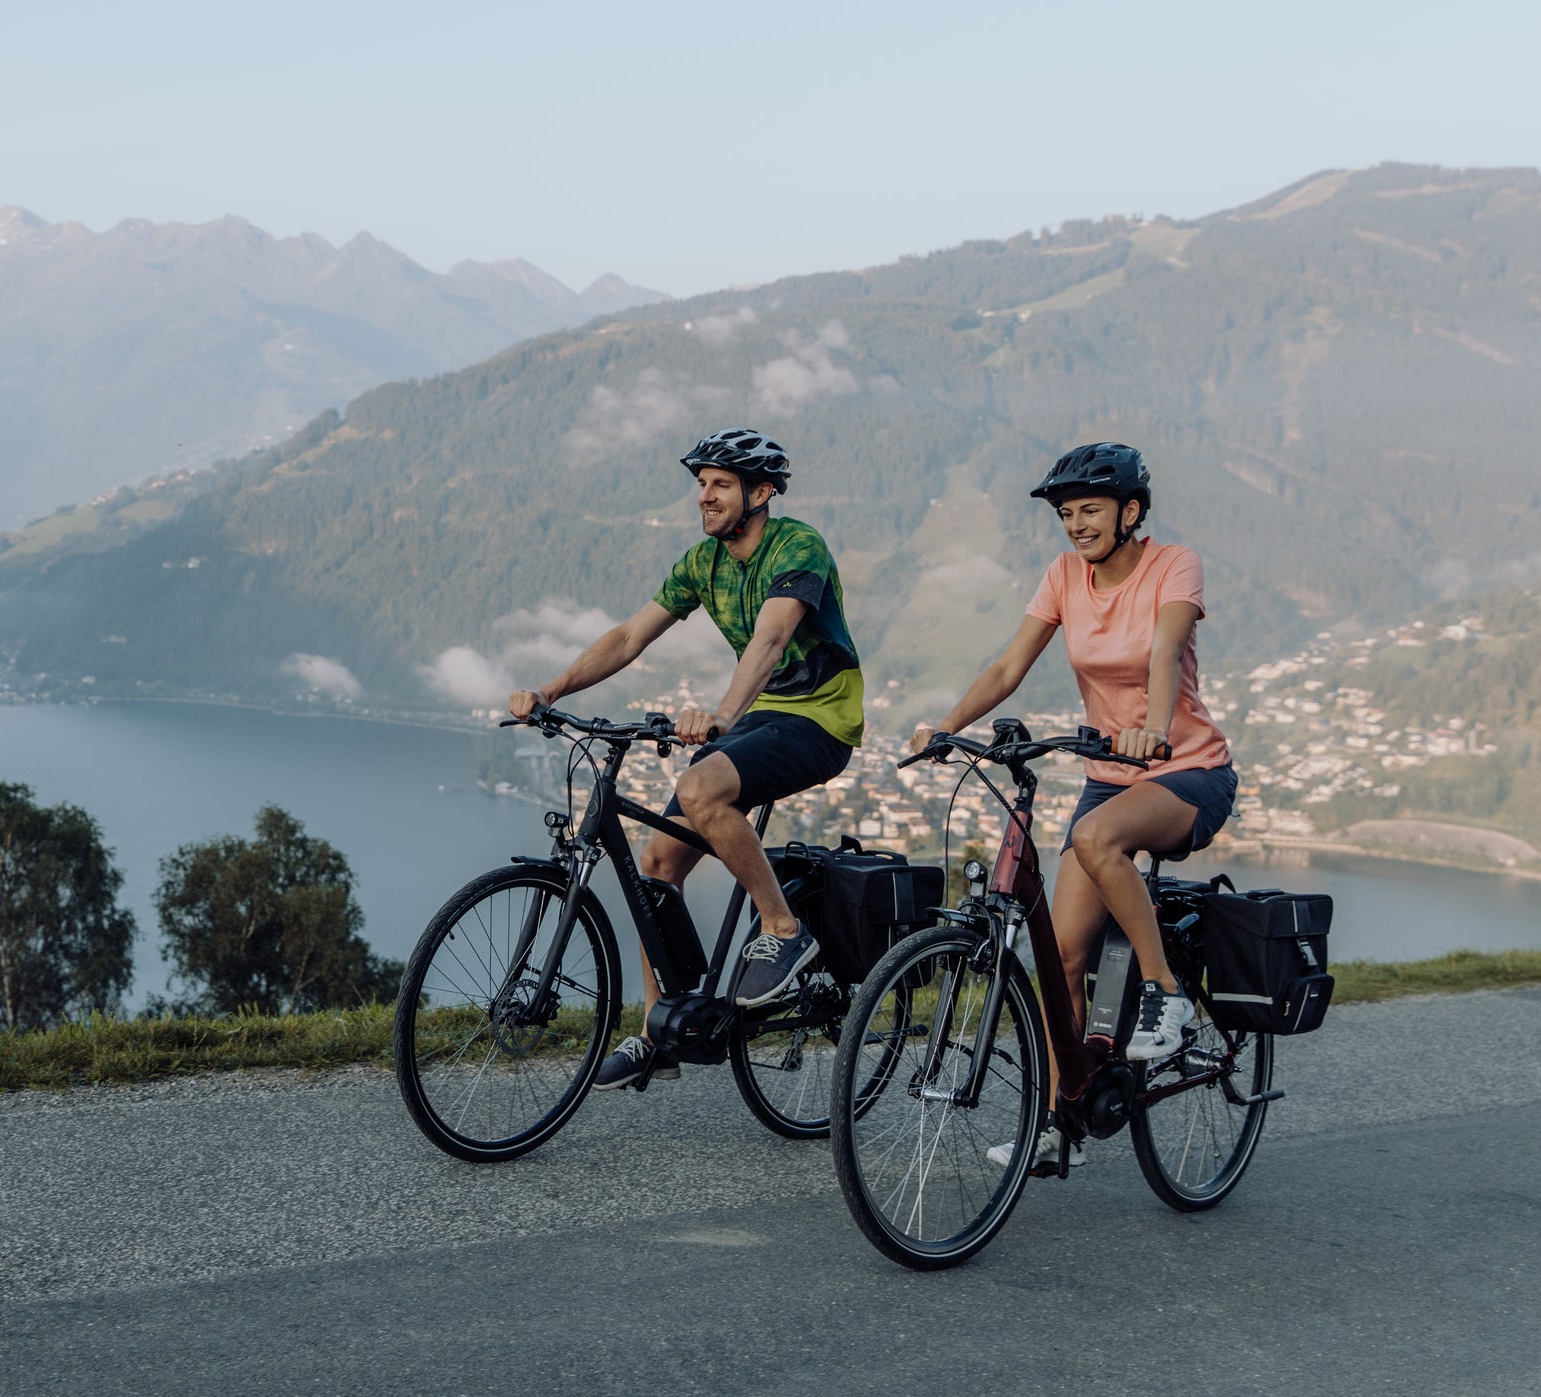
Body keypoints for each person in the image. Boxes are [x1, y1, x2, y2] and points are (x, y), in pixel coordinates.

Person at [508, 428, 864, 1090]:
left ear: (761, 493)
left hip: (820, 716)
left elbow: (773, 634)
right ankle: (660, 1032)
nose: (704, 495)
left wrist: (724, 711)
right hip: (761, 716)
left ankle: (783, 927)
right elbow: (627, 636)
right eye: (700, 483)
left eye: (720, 484)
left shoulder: (797, 546)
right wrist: (552, 690)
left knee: (700, 789)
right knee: (655, 864)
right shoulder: (703, 562)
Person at [910, 443, 1237, 1162]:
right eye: (1066, 513)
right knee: (1059, 954)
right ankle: (1066, 1123)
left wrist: (1152, 726)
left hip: (1186, 771)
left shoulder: (1174, 564)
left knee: (1095, 838)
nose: (1076, 525)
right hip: (1108, 775)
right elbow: (1007, 665)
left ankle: (1164, 992)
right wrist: (947, 726)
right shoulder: (1064, 575)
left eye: (1090, 509)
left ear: (1131, 511)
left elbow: (1163, 647)